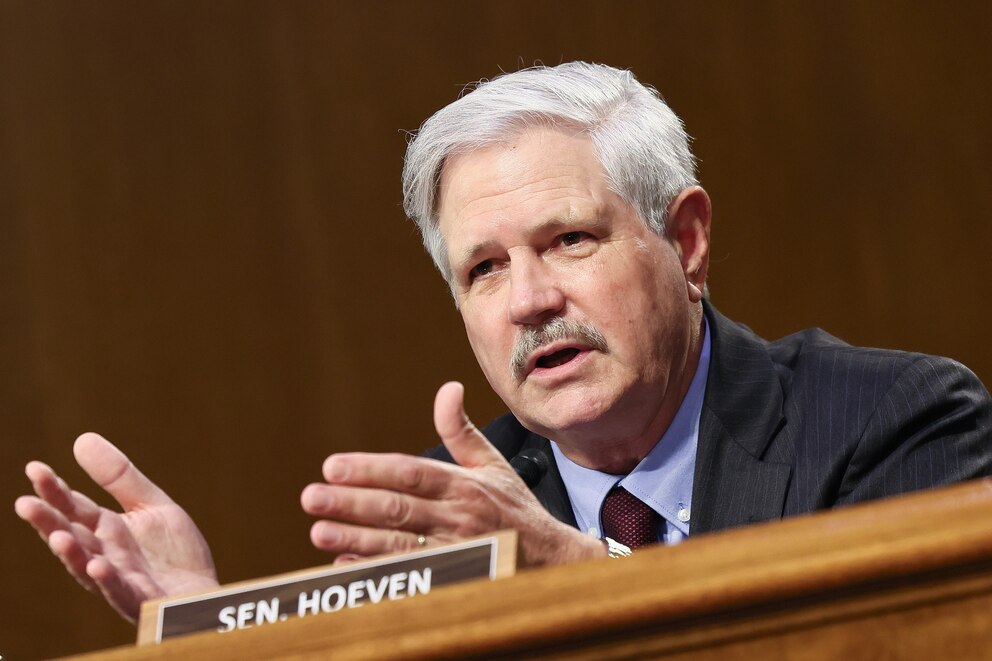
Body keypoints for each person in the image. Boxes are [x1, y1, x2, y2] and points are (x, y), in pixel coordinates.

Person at [16, 62, 992, 624]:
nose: (527, 300)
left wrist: (576, 584)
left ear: (683, 239)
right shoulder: (444, 513)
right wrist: (210, 630)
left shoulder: (891, 420)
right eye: (483, 269)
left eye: (568, 240)